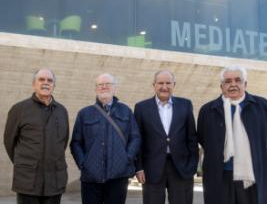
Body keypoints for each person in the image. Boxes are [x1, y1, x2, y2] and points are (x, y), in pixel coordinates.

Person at [197, 65, 267, 204]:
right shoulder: (208, 110)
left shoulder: (262, 106)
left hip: (252, 176)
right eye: (228, 81)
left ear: (245, 84)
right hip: (220, 176)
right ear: (221, 86)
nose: (233, 84)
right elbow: (204, 139)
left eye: (237, 80)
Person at [70, 73, 141, 204]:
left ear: (114, 88)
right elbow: (75, 143)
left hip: (118, 177)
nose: (104, 87)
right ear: (96, 89)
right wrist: (83, 163)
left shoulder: (126, 111)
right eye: (100, 85)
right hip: (91, 177)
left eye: (108, 84)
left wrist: (127, 158)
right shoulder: (84, 113)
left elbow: (135, 137)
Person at [3, 68, 69, 204]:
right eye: (41, 79)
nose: (46, 83)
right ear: (34, 84)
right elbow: (9, 142)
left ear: (54, 86)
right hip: (28, 181)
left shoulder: (62, 111)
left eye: (50, 80)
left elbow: (63, 141)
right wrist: (25, 164)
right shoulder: (19, 109)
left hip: (54, 181)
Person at [134, 70, 199, 204]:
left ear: (174, 85)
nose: (164, 86)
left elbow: (192, 138)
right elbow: (138, 140)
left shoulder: (185, 105)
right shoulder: (141, 107)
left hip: (181, 168)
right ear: (154, 85)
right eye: (160, 83)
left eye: (168, 83)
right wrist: (138, 167)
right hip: (151, 168)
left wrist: (192, 165)